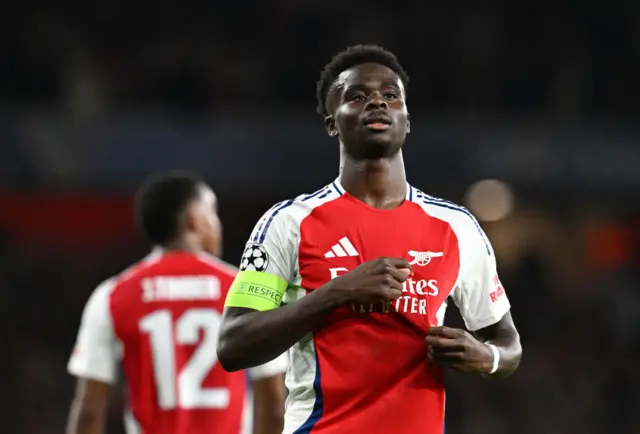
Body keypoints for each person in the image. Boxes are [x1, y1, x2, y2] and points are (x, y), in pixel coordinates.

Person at [216, 45, 522, 434]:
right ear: (332, 122)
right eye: (357, 96)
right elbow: (232, 345)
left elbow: (507, 342)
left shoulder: (456, 226)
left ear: (407, 120)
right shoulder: (289, 223)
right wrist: (337, 292)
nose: (377, 101)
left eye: (391, 95)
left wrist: (488, 357)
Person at [66, 171, 288, 434]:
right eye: (212, 212)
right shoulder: (245, 289)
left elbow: (89, 410)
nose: (217, 224)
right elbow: (274, 404)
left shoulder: (113, 296)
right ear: (194, 220)